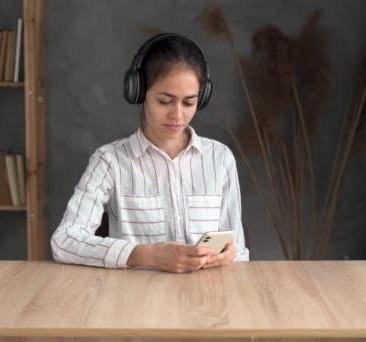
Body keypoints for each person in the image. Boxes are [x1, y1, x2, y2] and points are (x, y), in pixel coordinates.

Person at [51, 33, 249, 273]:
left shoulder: (220, 158)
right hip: (135, 302)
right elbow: (64, 241)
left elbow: (238, 249)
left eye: (188, 103)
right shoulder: (110, 161)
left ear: (202, 97)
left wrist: (230, 255)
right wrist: (148, 255)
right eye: (165, 101)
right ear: (139, 92)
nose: (177, 115)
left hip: (207, 301)